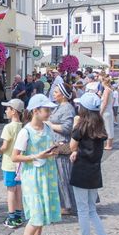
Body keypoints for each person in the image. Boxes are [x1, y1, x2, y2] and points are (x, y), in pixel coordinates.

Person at [10, 94, 62, 235]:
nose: (49, 113)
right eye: (46, 110)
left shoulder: (47, 128)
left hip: (47, 173)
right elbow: (15, 156)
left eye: (49, 110)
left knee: (43, 216)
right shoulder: (25, 131)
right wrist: (36, 156)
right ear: (35, 111)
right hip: (32, 176)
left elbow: (50, 146)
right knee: (36, 215)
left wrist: (54, 151)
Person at [70, 92, 115, 235]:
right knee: (92, 211)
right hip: (95, 170)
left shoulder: (81, 125)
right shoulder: (99, 124)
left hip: (81, 170)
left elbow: (72, 145)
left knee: (83, 211)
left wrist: (75, 127)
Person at [47, 82, 77, 215]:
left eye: (56, 91)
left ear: (63, 95)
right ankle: (64, 203)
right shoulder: (59, 106)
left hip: (62, 144)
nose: (53, 93)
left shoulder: (67, 108)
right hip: (55, 144)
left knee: (64, 176)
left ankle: (68, 205)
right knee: (59, 177)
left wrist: (49, 125)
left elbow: (67, 128)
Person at [0, 98, 26, 228]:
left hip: (9, 163)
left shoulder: (8, 127)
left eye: (8, 108)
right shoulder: (24, 127)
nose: (6, 110)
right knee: (19, 190)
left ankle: (11, 217)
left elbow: (5, 146)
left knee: (10, 191)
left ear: (14, 111)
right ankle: (19, 215)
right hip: (20, 164)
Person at [99, 76, 115, 150]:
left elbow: (105, 102)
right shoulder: (109, 89)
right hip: (109, 110)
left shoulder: (106, 90)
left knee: (108, 127)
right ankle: (108, 144)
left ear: (103, 82)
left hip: (106, 111)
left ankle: (109, 145)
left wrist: (101, 112)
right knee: (108, 127)